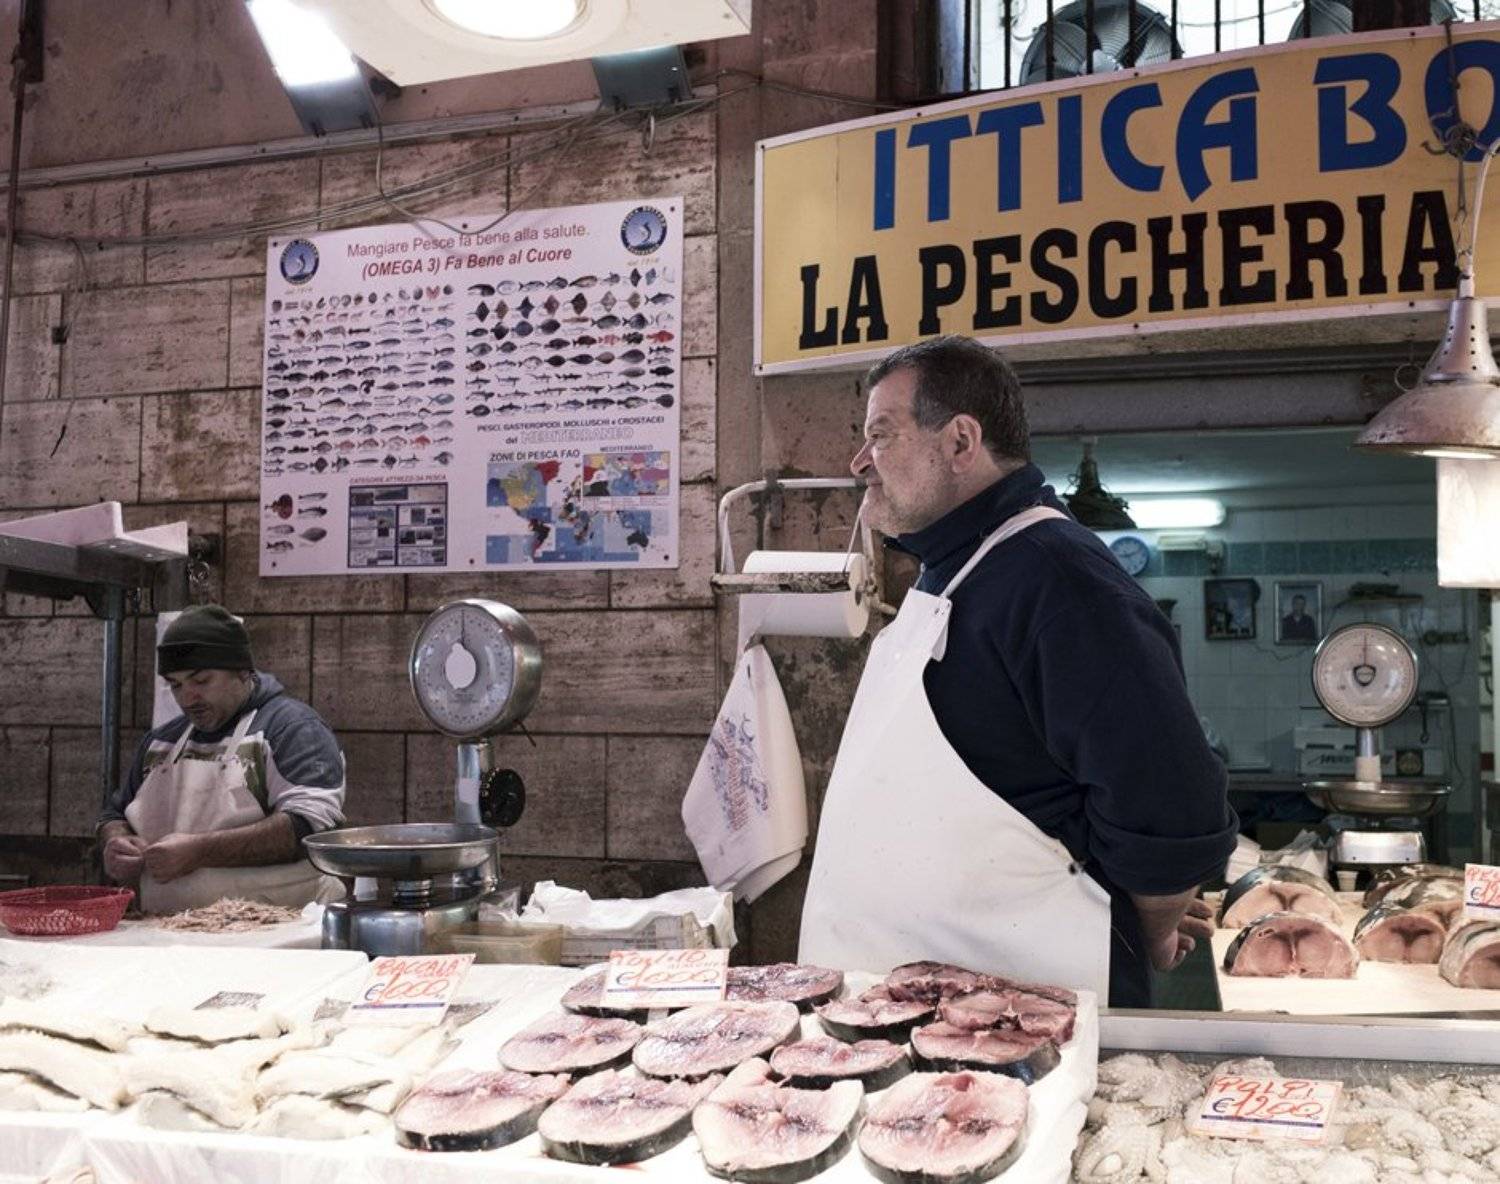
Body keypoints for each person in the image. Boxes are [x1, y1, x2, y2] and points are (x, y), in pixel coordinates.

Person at [798, 335, 1237, 1008]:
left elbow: (1172, 805)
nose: (861, 461)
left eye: (881, 435)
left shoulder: (1057, 578)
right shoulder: (953, 571)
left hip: (1020, 1021)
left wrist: (1147, 923)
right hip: (904, 1002)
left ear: (960, 441)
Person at [96, 605, 346, 913]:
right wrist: (116, 842)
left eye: (201, 681)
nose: (188, 698)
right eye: (176, 685)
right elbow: (114, 814)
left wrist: (199, 851)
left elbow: (312, 828)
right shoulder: (161, 741)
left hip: (281, 926)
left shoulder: (293, 729)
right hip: (166, 927)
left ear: (242, 671)